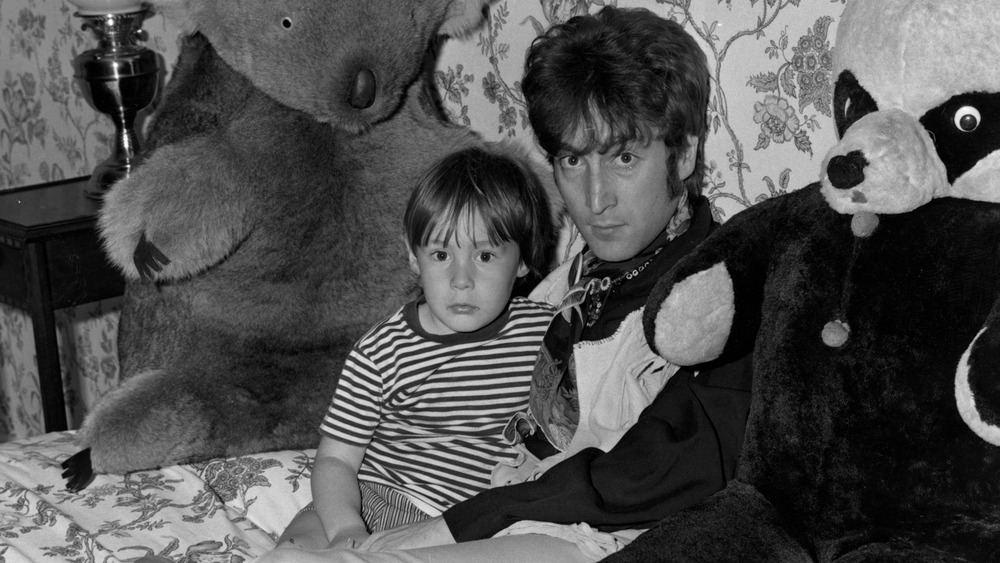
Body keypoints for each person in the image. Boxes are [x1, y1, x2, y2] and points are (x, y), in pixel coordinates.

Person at [257, 6, 753, 563]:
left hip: (593, 535)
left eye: (624, 157)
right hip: (494, 510)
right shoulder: (574, 284)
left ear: (683, 153)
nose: (595, 200)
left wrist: (461, 523)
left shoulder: (722, 291)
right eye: (572, 160)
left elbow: (667, 466)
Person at [262, 145, 558, 555]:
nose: (460, 279)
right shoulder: (381, 350)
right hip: (377, 500)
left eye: (485, 255)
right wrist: (348, 528)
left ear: (523, 258)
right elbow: (336, 461)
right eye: (440, 254)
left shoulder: (547, 333)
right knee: (299, 545)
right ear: (412, 256)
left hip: (466, 527)